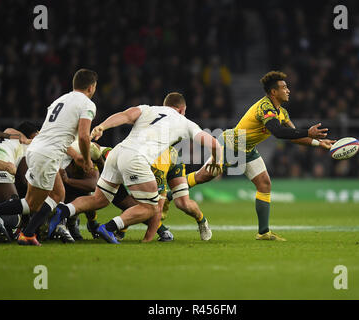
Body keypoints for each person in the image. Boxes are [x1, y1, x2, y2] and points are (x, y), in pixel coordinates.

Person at [172, 71, 335, 241]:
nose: (288, 90)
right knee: (204, 176)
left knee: (264, 184)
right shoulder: (265, 108)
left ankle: (263, 232)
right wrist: (308, 132)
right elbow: (279, 132)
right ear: (273, 92)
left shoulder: (282, 112)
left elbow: (294, 135)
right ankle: (170, 195)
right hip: (232, 144)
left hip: (247, 148)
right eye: (284, 87)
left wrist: (318, 143)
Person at [49, 92, 222, 244]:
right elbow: (213, 143)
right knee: (151, 208)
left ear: (165, 105)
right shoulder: (185, 122)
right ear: (182, 109)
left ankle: (63, 210)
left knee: (99, 199)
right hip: (136, 159)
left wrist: (102, 126)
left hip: (118, 152)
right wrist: (216, 159)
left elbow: (125, 115)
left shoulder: (149, 109)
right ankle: (109, 228)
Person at [0, 68, 98, 246]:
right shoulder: (87, 104)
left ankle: (27, 233)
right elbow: (83, 136)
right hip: (48, 155)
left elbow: (54, 133)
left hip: (36, 149)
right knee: (33, 203)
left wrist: (75, 155)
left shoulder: (61, 100)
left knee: (57, 194)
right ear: (91, 87)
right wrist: (87, 160)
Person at [0, 122, 39, 242]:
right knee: (15, 214)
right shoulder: (29, 146)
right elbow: (24, 179)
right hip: (0, 159)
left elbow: (9, 130)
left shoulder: (5, 136)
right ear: (33, 136)